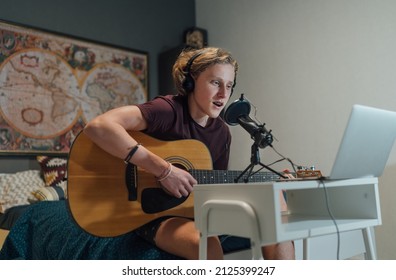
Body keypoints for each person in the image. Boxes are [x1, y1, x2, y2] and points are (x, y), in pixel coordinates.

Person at [83, 47, 295, 260]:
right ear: (190, 82)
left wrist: (271, 181)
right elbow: (99, 126)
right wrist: (164, 170)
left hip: (193, 209)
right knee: (207, 246)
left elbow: (214, 188)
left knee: (275, 204)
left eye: (229, 86)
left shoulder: (222, 132)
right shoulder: (167, 110)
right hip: (150, 213)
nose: (223, 94)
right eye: (215, 83)